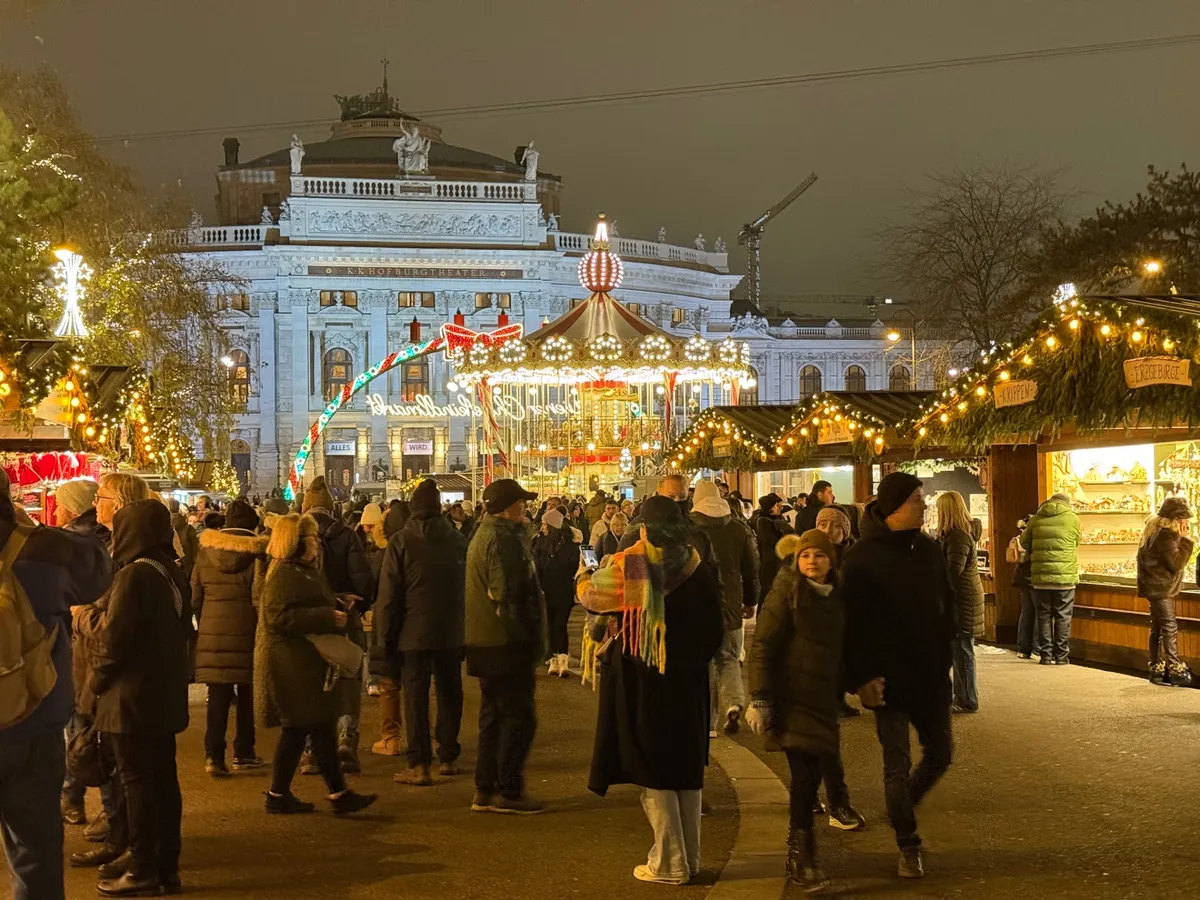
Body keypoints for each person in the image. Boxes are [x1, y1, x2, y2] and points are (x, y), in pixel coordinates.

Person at [577, 496, 723, 885]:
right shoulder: (696, 564)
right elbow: (715, 628)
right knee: (685, 768)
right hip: (689, 680)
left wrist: (582, 576)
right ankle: (689, 858)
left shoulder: (636, 563)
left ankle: (669, 864)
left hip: (643, 678)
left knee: (652, 766)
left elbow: (593, 597)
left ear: (644, 530)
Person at [0, 468, 110, 900]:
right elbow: (100, 568)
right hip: (33, 721)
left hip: (34, 727)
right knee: (35, 852)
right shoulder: (44, 550)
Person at [842, 473, 956, 880]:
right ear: (894, 507)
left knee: (941, 753)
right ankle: (907, 842)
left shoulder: (928, 549)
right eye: (916, 500)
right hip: (886, 680)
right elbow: (850, 626)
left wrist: (946, 654)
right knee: (896, 761)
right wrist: (860, 678)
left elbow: (947, 604)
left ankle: (901, 805)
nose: (924, 505)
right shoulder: (861, 558)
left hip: (929, 675)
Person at [83, 499, 191, 896]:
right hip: (161, 696)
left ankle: (145, 865)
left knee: (139, 784)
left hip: (131, 700)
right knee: (163, 781)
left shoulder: (133, 577)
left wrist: (94, 685)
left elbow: (113, 642)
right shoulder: (170, 571)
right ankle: (164, 864)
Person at [746, 529, 856, 891]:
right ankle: (801, 854)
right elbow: (762, 644)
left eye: (819, 556)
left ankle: (804, 846)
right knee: (805, 776)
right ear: (797, 558)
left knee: (818, 769)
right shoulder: (786, 592)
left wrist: (860, 680)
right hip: (791, 697)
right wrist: (760, 698)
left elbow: (848, 644)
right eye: (806, 555)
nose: (812, 561)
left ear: (831, 560)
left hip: (823, 698)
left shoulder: (838, 596)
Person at [254, 513, 377, 815]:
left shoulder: (301, 570)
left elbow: (303, 602)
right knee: (300, 728)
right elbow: (277, 617)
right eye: (311, 538)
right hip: (291, 664)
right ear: (295, 543)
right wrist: (325, 616)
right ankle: (281, 794)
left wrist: (336, 601)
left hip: (304, 663)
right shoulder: (285, 573)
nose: (317, 544)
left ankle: (336, 792)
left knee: (319, 726)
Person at [464, 478, 547, 813]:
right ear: (507, 508)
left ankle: (486, 788)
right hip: (504, 642)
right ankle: (508, 790)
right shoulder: (503, 539)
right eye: (521, 504)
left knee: (493, 716)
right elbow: (506, 595)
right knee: (518, 717)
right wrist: (526, 638)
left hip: (485, 640)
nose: (525, 509)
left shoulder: (483, 535)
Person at [378, 479, 468, 786]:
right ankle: (448, 755)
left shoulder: (401, 541)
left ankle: (419, 763)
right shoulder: (457, 541)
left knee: (415, 697)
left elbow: (389, 596)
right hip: (450, 630)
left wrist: (385, 638)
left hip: (412, 632)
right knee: (449, 692)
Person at [301, 475, 375, 771]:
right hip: (346, 616)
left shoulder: (297, 535)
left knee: (311, 684)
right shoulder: (346, 534)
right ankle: (346, 739)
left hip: (311, 619)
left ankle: (311, 752)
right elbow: (363, 579)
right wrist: (360, 602)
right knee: (348, 679)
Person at [191, 499, 266, 776]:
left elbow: (195, 598)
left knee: (218, 697)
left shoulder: (205, 552)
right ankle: (244, 752)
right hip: (249, 631)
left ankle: (213, 756)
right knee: (248, 696)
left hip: (213, 635)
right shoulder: (259, 555)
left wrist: (205, 624)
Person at [690, 480, 758, 736]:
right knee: (729, 659)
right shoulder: (739, 529)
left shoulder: (689, 527)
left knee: (704, 663)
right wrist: (751, 601)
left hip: (699, 604)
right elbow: (752, 570)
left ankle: (708, 724)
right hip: (731, 603)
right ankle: (733, 704)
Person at [366, 501, 410, 756]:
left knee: (389, 685)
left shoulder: (385, 553)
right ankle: (422, 741)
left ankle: (391, 737)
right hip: (416, 624)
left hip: (389, 623)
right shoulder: (420, 548)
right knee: (416, 687)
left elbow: (374, 588)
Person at [1136, 498, 1195, 687]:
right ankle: (1175, 669)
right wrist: (1186, 541)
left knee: (1158, 629)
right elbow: (1176, 565)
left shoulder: (1154, 532)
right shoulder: (1166, 537)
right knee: (1169, 627)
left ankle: (1157, 669)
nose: (1187, 523)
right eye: (1184, 519)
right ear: (1176, 519)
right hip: (1161, 589)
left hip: (1154, 587)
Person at [935, 491, 984, 714]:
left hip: (962, 598)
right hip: (963, 595)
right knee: (960, 648)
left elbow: (954, 570)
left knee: (963, 649)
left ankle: (967, 699)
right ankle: (962, 696)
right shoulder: (957, 534)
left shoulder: (957, 536)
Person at [1020, 492, 1082, 666]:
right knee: (1063, 616)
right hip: (1066, 576)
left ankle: (1046, 655)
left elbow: (1025, 542)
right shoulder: (1073, 519)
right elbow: (1077, 541)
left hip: (1041, 576)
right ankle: (1061, 656)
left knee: (1043, 616)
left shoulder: (1036, 519)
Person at [532, 507, 582, 678]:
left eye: (545, 524)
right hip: (546, 590)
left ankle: (563, 658)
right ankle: (554, 658)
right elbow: (535, 564)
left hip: (564, 590)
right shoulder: (539, 541)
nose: (542, 527)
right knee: (551, 625)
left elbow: (585, 562)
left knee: (560, 624)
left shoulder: (573, 543)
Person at [754, 493, 794, 607]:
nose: (780, 507)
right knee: (767, 591)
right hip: (768, 561)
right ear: (770, 507)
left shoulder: (777, 518)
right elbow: (769, 540)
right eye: (777, 505)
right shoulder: (762, 520)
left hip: (778, 560)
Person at [1012, 516, 1040, 660]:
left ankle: (1023, 648)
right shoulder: (1033, 538)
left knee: (1026, 611)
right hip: (1033, 576)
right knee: (1038, 612)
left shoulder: (1019, 537)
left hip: (1022, 577)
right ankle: (1036, 649)